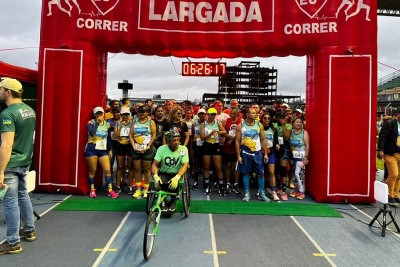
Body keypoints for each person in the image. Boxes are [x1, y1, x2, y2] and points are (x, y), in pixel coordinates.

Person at [0, 78, 36, 254]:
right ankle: (29, 230)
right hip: (25, 161)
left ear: (8, 92)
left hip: (11, 163)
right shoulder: (30, 110)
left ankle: (13, 242)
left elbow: (6, 144)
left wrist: (0, 171)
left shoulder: (7, 114)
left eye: (0, 88)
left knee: (10, 201)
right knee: (23, 195)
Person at [235, 107, 270, 202]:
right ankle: (247, 193)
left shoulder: (259, 125)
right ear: (247, 115)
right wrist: (238, 155)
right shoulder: (240, 126)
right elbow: (237, 141)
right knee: (245, 173)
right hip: (245, 153)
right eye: (253, 113)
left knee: (260, 173)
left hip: (257, 153)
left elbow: (263, 140)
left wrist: (265, 153)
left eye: (256, 113)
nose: (256, 114)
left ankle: (262, 193)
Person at [85, 106, 119, 199]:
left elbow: (108, 138)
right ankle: (92, 190)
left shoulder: (107, 124)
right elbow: (92, 133)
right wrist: (97, 123)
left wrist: (110, 149)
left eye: (101, 113)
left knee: (107, 170)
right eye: (97, 113)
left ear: (103, 114)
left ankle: (110, 190)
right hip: (92, 149)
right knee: (93, 170)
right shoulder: (91, 122)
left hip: (103, 149)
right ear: (94, 114)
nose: (99, 115)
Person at [151, 131, 189, 212]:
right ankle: (163, 201)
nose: (177, 142)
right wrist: (155, 176)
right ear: (168, 141)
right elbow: (154, 165)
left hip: (177, 174)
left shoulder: (183, 149)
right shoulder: (161, 149)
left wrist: (177, 177)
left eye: (178, 140)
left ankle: (173, 200)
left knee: (174, 187)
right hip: (164, 173)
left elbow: (185, 165)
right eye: (174, 140)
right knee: (161, 184)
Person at [130, 106, 157, 199]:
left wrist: (148, 146)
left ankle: (146, 189)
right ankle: (138, 189)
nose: (141, 114)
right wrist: (134, 146)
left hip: (147, 149)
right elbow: (130, 135)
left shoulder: (151, 122)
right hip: (136, 149)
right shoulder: (134, 121)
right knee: (137, 169)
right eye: (140, 112)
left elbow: (154, 135)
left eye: (143, 112)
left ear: (147, 113)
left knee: (147, 170)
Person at [200, 107, 227, 196]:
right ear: (208, 115)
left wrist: (218, 132)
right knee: (206, 167)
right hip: (207, 145)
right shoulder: (204, 124)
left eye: (214, 115)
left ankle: (221, 186)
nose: (213, 116)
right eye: (211, 115)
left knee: (218, 167)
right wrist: (211, 133)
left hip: (216, 145)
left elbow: (224, 131)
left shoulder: (218, 123)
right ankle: (207, 185)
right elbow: (202, 137)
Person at [377, 109, 400, 206]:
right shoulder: (390, 124)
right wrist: (380, 149)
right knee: (394, 174)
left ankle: (395, 194)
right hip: (390, 153)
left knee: (399, 176)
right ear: (398, 114)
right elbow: (382, 136)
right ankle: (390, 194)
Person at [287, 117, 310, 200]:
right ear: (293, 123)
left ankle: (301, 191)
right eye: (297, 122)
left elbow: (307, 145)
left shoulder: (304, 132)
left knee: (298, 173)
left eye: (300, 122)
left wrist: (306, 157)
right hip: (293, 156)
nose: (299, 124)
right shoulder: (291, 132)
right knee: (294, 175)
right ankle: (296, 189)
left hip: (301, 156)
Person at [113, 107, 134, 194]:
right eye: (123, 115)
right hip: (120, 145)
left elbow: (134, 134)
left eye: (127, 114)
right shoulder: (118, 123)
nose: (125, 116)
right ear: (121, 115)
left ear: (129, 115)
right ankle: (118, 186)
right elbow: (115, 136)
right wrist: (121, 126)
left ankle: (131, 186)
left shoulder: (132, 123)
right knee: (120, 167)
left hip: (129, 146)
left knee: (130, 167)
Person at [260, 112, 280, 201]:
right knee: (261, 172)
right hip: (260, 152)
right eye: (265, 118)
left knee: (271, 172)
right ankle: (260, 190)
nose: (267, 120)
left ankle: (273, 191)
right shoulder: (259, 128)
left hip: (270, 152)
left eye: (268, 118)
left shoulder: (273, 129)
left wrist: (277, 145)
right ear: (262, 119)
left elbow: (276, 141)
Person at [222, 106, 241, 194]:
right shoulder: (226, 121)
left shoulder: (241, 121)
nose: (232, 115)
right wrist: (228, 136)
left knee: (236, 166)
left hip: (237, 147)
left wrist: (234, 139)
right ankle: (228, 183)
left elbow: (243, 133)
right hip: (228, 147)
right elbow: (222, 132)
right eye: (231, 113)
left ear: (237, 113)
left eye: (234, 113)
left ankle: (236, 184)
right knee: (228, 165)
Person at [191, 108, 206, 190]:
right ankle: (196, 181)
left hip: (205, 146)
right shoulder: (194, 124)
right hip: (196, 145)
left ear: (205, 115)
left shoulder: (207, 124)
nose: (201, 115)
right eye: (200, 114)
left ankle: (205, 181)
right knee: (196, 164)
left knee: (205, 165)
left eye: (203, 114)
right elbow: (192, 137)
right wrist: (191, 149)